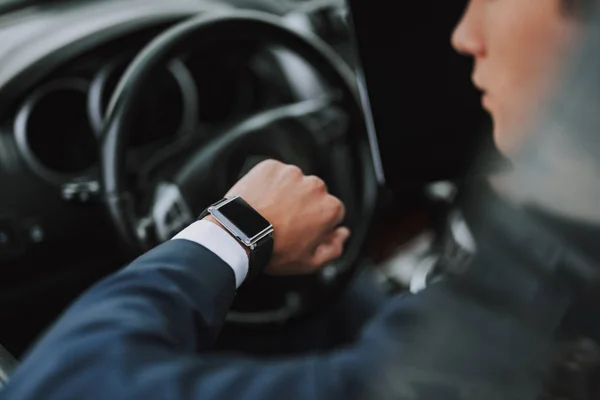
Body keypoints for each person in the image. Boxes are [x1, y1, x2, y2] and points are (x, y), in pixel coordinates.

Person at [1, 0, 598, 399]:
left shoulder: (529, 330)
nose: (464, 35)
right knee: (330, 306)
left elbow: (65, 383)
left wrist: (234, 230)